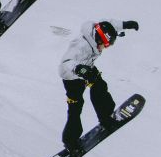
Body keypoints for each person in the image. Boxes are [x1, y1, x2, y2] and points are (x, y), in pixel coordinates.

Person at [58, 19, 139, 148]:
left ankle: (106, 117)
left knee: (100, 87)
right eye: (105, 45)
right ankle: (70, 142)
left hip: (87, 68)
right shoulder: (80, 46)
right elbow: (64, 65)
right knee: (76, 108)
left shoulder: (97, 31)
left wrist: (126, 25)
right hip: (72, 78)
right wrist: (79, 69)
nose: (105, 48)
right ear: (99, 40)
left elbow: (111, 25)